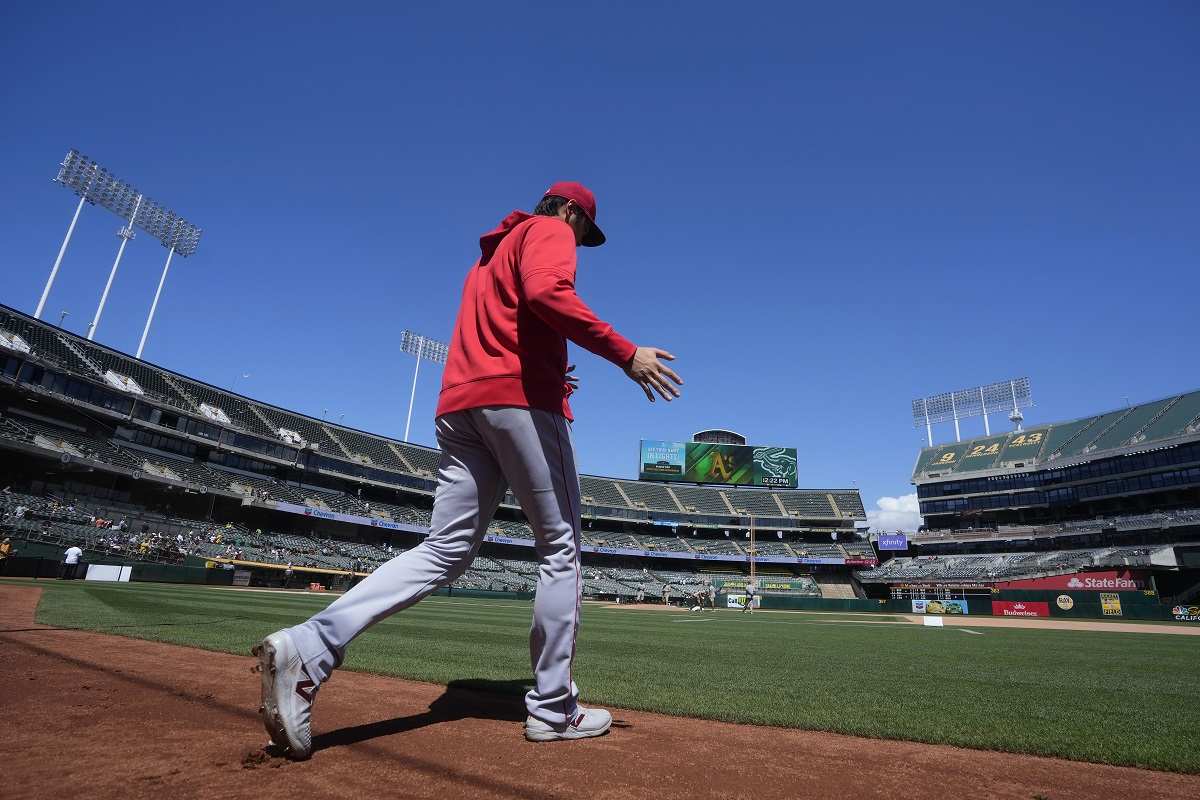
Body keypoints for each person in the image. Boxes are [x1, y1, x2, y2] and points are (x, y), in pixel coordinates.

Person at [253, 181, 682, 759]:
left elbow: (510, 321)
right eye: (585, 230)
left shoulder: (488, 255)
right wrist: (626, 353)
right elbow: (547, 293)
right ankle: (554, 710)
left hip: (460, 403)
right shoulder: (551, 229)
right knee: (561, 548)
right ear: (572, 212)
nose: (581, 240)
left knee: (443, 550)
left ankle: (312, 645)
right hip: (517, 402)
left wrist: (550, 368)